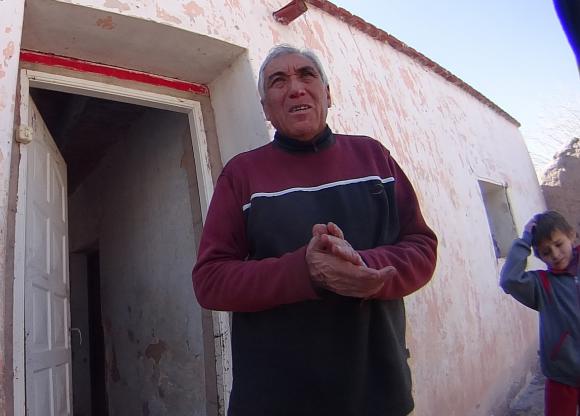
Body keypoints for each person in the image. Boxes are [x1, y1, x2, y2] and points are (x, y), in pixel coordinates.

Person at [192, 44, 438, 416]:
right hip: (274, 399)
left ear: (328, 93)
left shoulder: (374, 157)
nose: (295, 88)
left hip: (377, 393)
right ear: (265, 108)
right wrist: (305, 272)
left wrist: (363, 267)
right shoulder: (241, 175)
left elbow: (421, 246)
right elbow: (210, 281)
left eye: (306, 75)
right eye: (278, 81)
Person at [500, 210, 580, 416]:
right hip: (561, 376)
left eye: (559, 244)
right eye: (546, 252)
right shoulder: (541, 285)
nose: (555, 254)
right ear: (538, 255)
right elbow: (509, 280)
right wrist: (525, 240)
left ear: (572, 236)